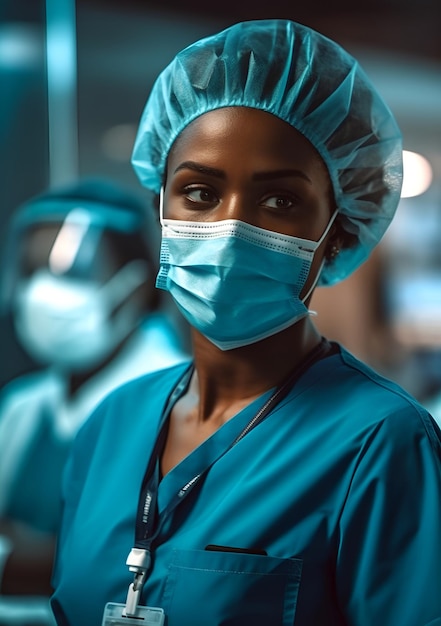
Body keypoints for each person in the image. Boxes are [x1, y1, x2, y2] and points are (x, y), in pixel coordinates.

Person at [50, 20, 441, 626]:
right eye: (200, 193)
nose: (229, 230)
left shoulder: (382, 444)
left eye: (279, 201)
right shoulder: (112, 424)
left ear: (335, 236)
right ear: (161, 207)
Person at [0, 178, 188, 624]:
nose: (45, 293)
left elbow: (123, 562)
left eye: (75, 273)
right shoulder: (26, 403)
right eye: (34, 269)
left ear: (136, 286)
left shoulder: (172, 401)